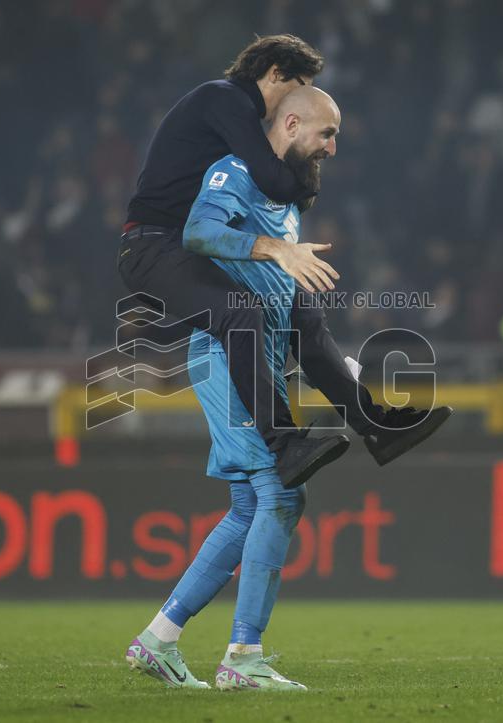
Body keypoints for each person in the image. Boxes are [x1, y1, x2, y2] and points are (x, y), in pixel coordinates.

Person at [125, 86, 451, 692]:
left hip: (262, 357)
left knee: (253, 505)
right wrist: (275, 248)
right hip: (226, 356)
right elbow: (198, 232)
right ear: (292, 122)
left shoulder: (286, 196)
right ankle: (242, 658)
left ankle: (158, 640)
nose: (333, 145)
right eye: (326, 133)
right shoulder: (234, 172)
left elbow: (287, 306)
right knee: (280, 495)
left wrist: (343, 376)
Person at [117, 35, 450, 490]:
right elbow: (274, 179)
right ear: (273, 73)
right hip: (152, 248)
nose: (297, 95)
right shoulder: (226, 99)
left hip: (191, 245)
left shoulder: (234, 113)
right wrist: (284, 234)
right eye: (298, 83)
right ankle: (281, 443)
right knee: (240, 310)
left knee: (303, 316)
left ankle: (376, 426)